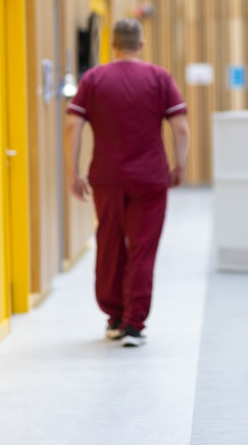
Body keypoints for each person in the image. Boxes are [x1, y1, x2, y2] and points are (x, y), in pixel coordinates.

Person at [66, 18, 190, 347]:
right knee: (142, 247)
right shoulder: (159, 77)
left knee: (108, 245)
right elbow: (180, 127)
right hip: (150, 178)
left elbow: (72, 127)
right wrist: (180, 164)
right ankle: (134, 325)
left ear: (112, 44)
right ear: (142, 44)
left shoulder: (93, 79)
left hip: (107, 177)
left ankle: (114, 317)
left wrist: (72, 171)